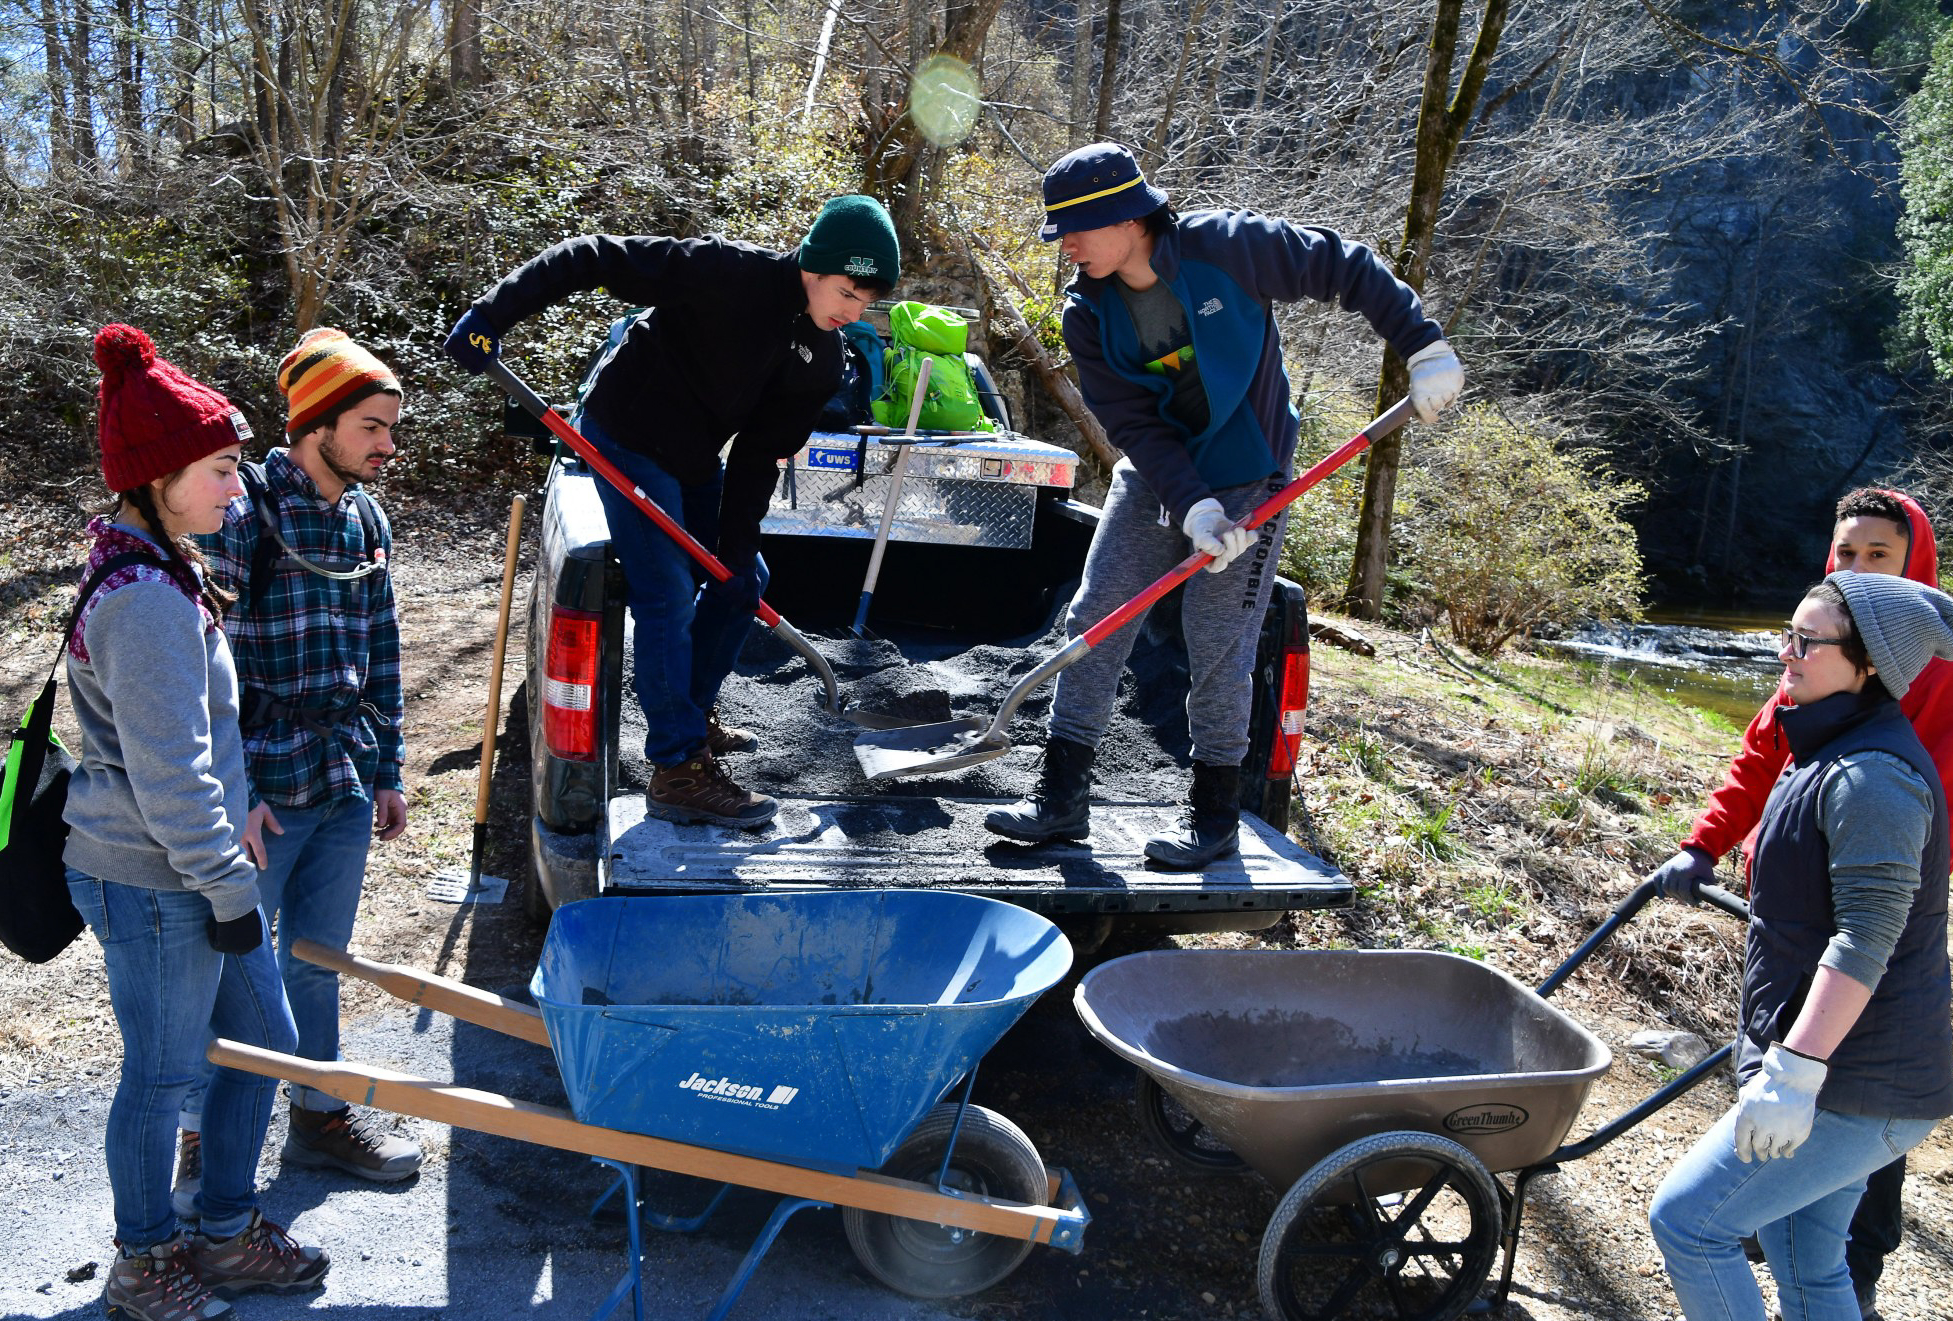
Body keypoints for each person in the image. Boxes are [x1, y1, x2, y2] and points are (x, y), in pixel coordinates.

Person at [983, 143, 1466, 867]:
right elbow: (1136, 426)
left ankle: (1212, 820)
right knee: (1098, 616)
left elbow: (1347, 266)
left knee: (1218, 639)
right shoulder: (1087, 314)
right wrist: (1192, 507)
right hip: (1160, 478)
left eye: (1076, 228)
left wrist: (1422, 345)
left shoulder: (1226, 248)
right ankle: (1060, 801)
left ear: (1126, 217)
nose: (1067, 246)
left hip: (1250, 475)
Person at [442, 195, 902, 828]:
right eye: (848, 293)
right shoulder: (726, 274)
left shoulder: (820, 360)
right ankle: (677, 769)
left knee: (745, 582)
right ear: (815, 266)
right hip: (625, 431)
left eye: (865, 302)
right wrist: (492, 316)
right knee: (665, 588)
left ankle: (691, 716)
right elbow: (590, 256)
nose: (853, 312)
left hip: (693, 456)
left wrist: (737, 554)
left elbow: (756, 459)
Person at [64, 324, 326, 1321]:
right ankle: (145, 1257)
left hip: (211, 864)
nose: (238, 489)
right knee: (165, 1073)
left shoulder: (166, 568)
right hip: (159, 877)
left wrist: (246, 801)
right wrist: (225, 882)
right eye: (221, 470)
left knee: (263, 1040)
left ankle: (220, 1230)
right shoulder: (141, 600)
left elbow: (202, 741)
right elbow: (169, 777)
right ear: (158, 477)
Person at [1654, 487, 1953, 1311]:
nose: (1859, 566)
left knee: (1859, 1094)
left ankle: (1857, 1267)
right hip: (1792, 910)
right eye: (1848, 553)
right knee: (1774, 1055)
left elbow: (1944, 803)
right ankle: (1775, 1231)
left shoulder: (1948, 678)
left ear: (1916, 563)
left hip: (1866, 925)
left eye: (1880, 555)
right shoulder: (1814, 651)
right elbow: (1760, 760)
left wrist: (1871, 912)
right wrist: (1704, 844)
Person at [172, 327, 421, 1207]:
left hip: (344, 778)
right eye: (370, 426)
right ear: (315, 423)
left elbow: (382, 649)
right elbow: (201, 671)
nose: (387, 445)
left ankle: (318, 1117)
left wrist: (387, 769)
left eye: (391, 426)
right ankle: (203, 1137)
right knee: (235, 966)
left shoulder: (367, 518)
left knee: (318, 959)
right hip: (264, 789)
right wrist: (230, 797)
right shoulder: (242, 516)